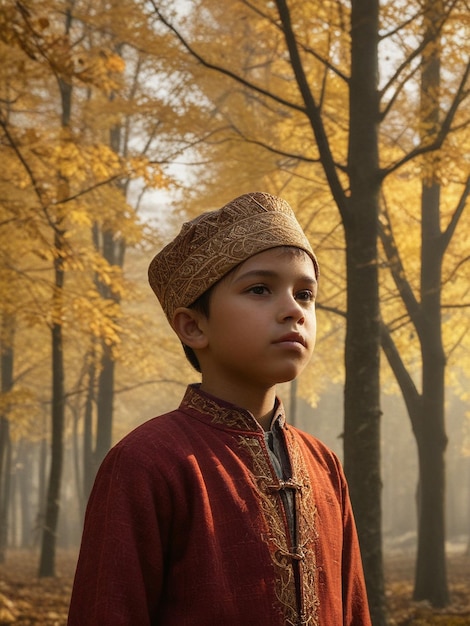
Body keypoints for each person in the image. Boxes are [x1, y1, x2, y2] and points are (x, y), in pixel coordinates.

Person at [68, 192, 371, 626]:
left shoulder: (324, 466)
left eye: (305, 294)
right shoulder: (145, 463)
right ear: (193, 325)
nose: (293, 311)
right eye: (260, 289)